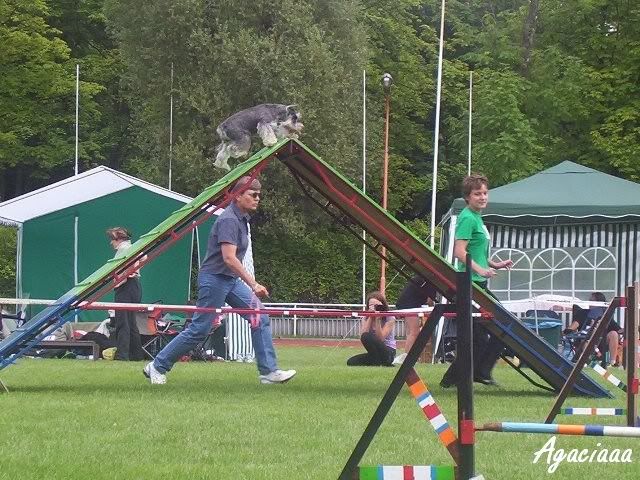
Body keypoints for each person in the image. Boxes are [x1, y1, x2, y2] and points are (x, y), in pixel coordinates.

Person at [143, 176, 296, 385]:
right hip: (214, 279)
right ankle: (157, 366)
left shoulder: (242, 219)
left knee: (259, 316)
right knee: (199, 330)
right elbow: (229, 258)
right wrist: (253, 284)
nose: (257, 198)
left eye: (259, 195)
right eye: (253, 194)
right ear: (238, 196)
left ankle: (269, 372)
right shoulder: (229, 220)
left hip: (230, 280)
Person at [440, 174, 513, 388]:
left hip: (479, 282)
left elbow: (477, 251)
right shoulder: (467, 218)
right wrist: (481, 269)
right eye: (477, 194)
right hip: (469, 284)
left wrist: (494, 264)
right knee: (485, 334)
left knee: (499, 328)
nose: (482, 197)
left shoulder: (477, 217)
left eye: (485, 193)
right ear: (467, 197)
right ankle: (459, 378)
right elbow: (460, 251)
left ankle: (480, 372)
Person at [107, 227, 144, 361]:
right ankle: (136, 355)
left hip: (125, 286)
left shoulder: (123, 249)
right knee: (131, 322)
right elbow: (144, 257)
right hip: (135, 286)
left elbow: (116, 269)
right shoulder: (133, 247)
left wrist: (123, 276)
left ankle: (122, 355)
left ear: (118, 239)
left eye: (112, 239)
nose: (111, 242)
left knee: (122, 322)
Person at [564, 292, 621, 366]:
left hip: (601, 341)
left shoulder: (606, 314)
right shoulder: (583, 313)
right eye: (589, 300)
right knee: (586, 339)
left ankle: (612, 362)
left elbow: (618, 329)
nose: (589, 302)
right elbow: (574, 325)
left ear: (599, 303)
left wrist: (629, 329)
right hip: (586, 339)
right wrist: (568, 331)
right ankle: (587, 361)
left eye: (592, 300)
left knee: (613, 334)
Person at [391, 275, 437, 365]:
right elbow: (429, 301)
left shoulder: (422, 277)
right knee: (414, 332)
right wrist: (433, 309)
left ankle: (407, 356)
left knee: (410, 333)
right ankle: (407, 357)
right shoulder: (431, 281)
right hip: (410, 305)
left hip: (406, 303)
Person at [347, 291, 396, 366]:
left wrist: (378, 320)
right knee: (351, 362)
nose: (374, 308)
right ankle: (379, 362)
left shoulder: (389, 318)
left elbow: (381, 338)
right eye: (371, 305)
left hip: (388, 351)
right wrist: (370, 316)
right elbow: (363, 336)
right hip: (374, 352)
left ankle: (382, 362)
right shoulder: (365, 318)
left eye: (377, 305)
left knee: (367, 336)